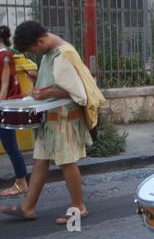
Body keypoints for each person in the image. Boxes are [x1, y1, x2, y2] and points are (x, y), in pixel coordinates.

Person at [0, 21, 105, 224]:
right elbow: (61, 80)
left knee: (66, 162)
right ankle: (27, 207)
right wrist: (39, 77)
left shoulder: (64, 54)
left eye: (33, 49)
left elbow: (77, 91)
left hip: (64, 120)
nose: (35, 53)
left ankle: (79, 206)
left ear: (40, 41)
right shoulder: (52, 53)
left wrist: (45, 92)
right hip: (50, 119)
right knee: (40, 160)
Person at [0, 25, 28, 197]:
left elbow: (4, 86)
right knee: (10, 145)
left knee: (10, 146)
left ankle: (21, 183)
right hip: (4, 106)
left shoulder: (5, 56)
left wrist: (0, 107)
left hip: (4, 107)